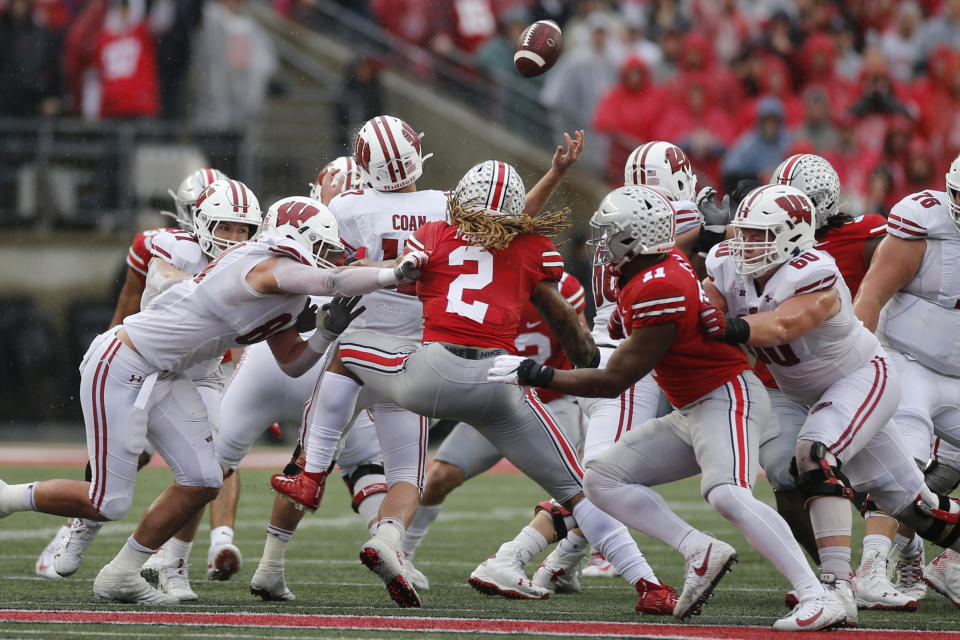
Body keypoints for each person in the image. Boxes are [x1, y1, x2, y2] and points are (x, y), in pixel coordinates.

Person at [274, 160, 679, 614]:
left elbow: (397, 282)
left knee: (347, 351)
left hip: (431, 376)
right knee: (578, 492)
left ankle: (311, 474)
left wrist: (375, 270)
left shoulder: (433, 234)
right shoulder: (531, 247)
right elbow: (562, 318)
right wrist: (586, 358)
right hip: (499, 380)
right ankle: (650, 585)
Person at [0, 178, 425, 604]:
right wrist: (392, 273)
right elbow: (332, 281)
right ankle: (8, 497)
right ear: (296, 239)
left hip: (171, 374)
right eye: (324, 248)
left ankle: (122, 573)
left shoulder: (288, 293)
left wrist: (324, 333)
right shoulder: (264, 265)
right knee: (107, 502)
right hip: (123, 363)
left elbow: (293, 364)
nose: (330, 257)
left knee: (205, 480)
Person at [486, 185, 847, 631]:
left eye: (612, 234)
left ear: (636, 239)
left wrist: (537, 374)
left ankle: (818, 594)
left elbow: (613, 380)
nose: (603, 244)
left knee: (728, 493)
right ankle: (699, 549)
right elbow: (682, 252)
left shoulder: (660, 287)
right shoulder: (660, 263)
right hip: (692, 407)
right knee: (601, 479)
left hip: (727, 395)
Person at [703, 184, 960, 617]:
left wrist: (723, 326)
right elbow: (704, 306)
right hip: (816, 391)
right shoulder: (728, 264)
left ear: (790, 236)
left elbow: (785, 325)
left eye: (757, 235)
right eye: (742, 232)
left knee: (814, 456)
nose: (743, 243)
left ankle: (835, 591)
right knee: (917, 508)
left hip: (862, 379)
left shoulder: (813, 270)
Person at [34, 167, 228, 582]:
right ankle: (80, 525)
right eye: (219, 222)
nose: (230, 234)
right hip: (151, 360)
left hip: (205, 370)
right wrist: (107, 356)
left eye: (238, 226)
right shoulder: (161, 244)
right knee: (128, 454)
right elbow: (131, 301)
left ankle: (173, 563)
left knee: (205, 468)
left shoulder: (246, 256)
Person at [765, 154, 913, 613]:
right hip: (781, 382)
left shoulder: (861, 235)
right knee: (785, 475)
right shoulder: (755, 244)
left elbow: (908, 257)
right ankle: (831, 581)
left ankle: (900, 554)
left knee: (891, 481)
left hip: (846, 374)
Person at [399, 271, 588, 593]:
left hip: (553, 400)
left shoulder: (565, 286)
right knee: (442, 475)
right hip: (498, 403)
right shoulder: (484, 281)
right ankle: (403, 553)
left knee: (580, 489)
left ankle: (566, 563)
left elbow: (583, 348)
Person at [854, 153, 960, 607]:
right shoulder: (925, 223)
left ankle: (950, 565)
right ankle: (872, 566)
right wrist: (857, 364)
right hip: (909, 362)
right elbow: (873, 293)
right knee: (905, 460)